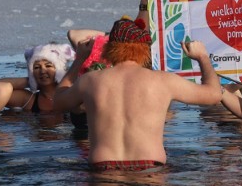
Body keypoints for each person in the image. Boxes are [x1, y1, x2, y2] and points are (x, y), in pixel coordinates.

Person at [53, 17, 222, 171]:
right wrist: (202, 57)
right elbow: (214, 95)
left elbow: (58, 102)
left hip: (102, 167)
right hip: (150, 167)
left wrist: (79, 59)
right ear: (144, 49)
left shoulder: (90, 81)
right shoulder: (163, 81)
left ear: (109, 48)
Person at [0, 43, 76, 114]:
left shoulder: (73, 95)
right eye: (37, 67)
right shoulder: (28, 100)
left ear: (60, 71)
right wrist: (30, 81)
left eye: (48, 66)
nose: (42, 71)